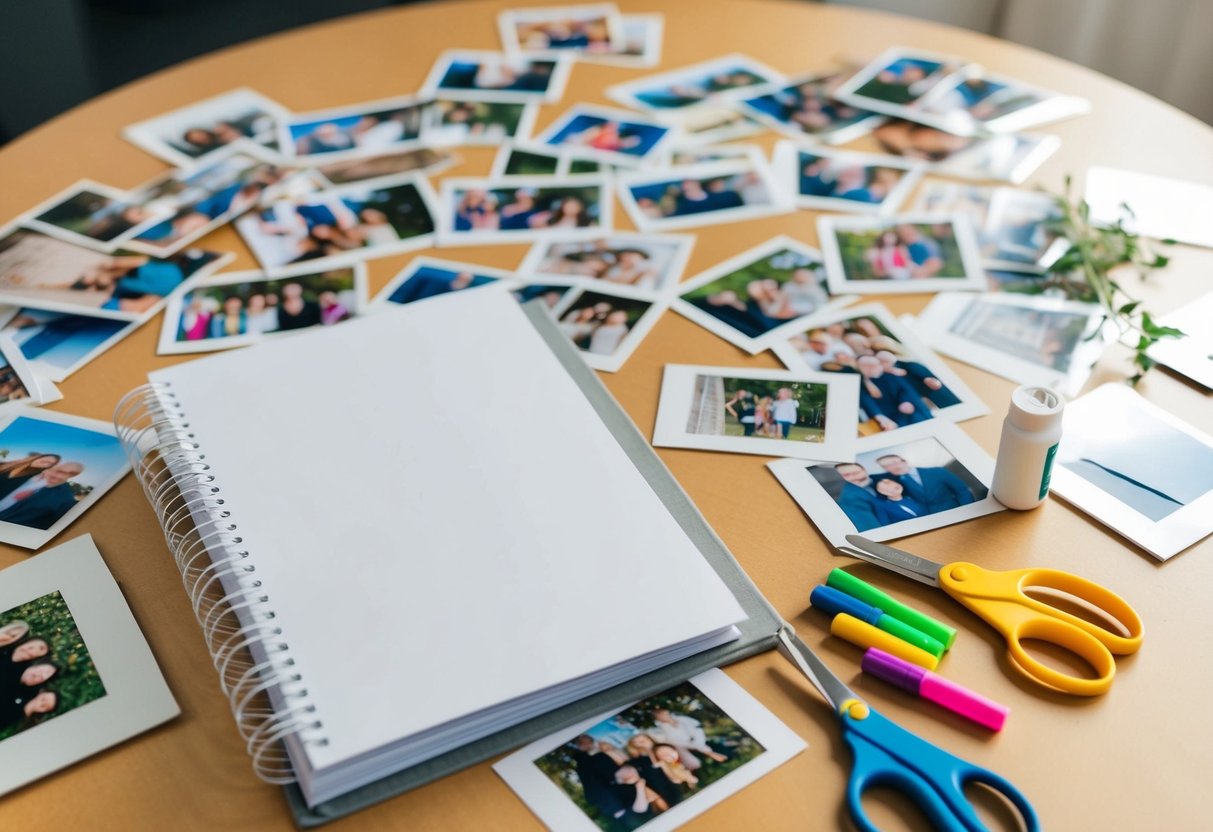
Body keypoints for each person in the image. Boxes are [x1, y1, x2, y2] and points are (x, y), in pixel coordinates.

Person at [0, 462, 86, 530]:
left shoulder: (65, 497)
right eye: (59, 470)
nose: (59, 476)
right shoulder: (22, 473)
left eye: (71, 474)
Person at [876, 453, 974, 512]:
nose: (893, 467)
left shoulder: (937, 471)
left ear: (904, 461)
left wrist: (967, 510)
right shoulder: (897, 484)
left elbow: (962, 490)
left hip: (955, 510)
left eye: (894, 462)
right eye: (886, 466)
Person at [567, 734, 629, 824]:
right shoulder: (586, 761)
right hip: (614, 802)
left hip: (621, 795)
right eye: (581, 743)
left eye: (588, 741)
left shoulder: (599, 756)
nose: (585, 744)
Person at [856, 355, 931, 427]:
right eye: (866, 366)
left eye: (873, 365)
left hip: (909, 410)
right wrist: (880, 416)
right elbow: (868, 403)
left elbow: (905, 390)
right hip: (889, 418)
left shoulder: (891, 376)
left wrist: (905, 401)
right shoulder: (861, 385)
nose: (871, 368)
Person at [649, 707, 726, 769]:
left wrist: (696, 739)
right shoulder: (664, 730)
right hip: (688, 747)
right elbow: (676, 741)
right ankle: (712, 755)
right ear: (658, 719)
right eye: (660, 716)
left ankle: (713, 754)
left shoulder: (682, 719)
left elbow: (696, 726)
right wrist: (693, 744)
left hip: (700, 739)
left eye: (663, 713)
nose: (664, 716)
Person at [833, 462, 883, 532]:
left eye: (856, 473)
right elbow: (871, 529)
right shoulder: (850, 499)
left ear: (865, 470)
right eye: (846, 475)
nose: (853, 477)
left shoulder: (884, 478)